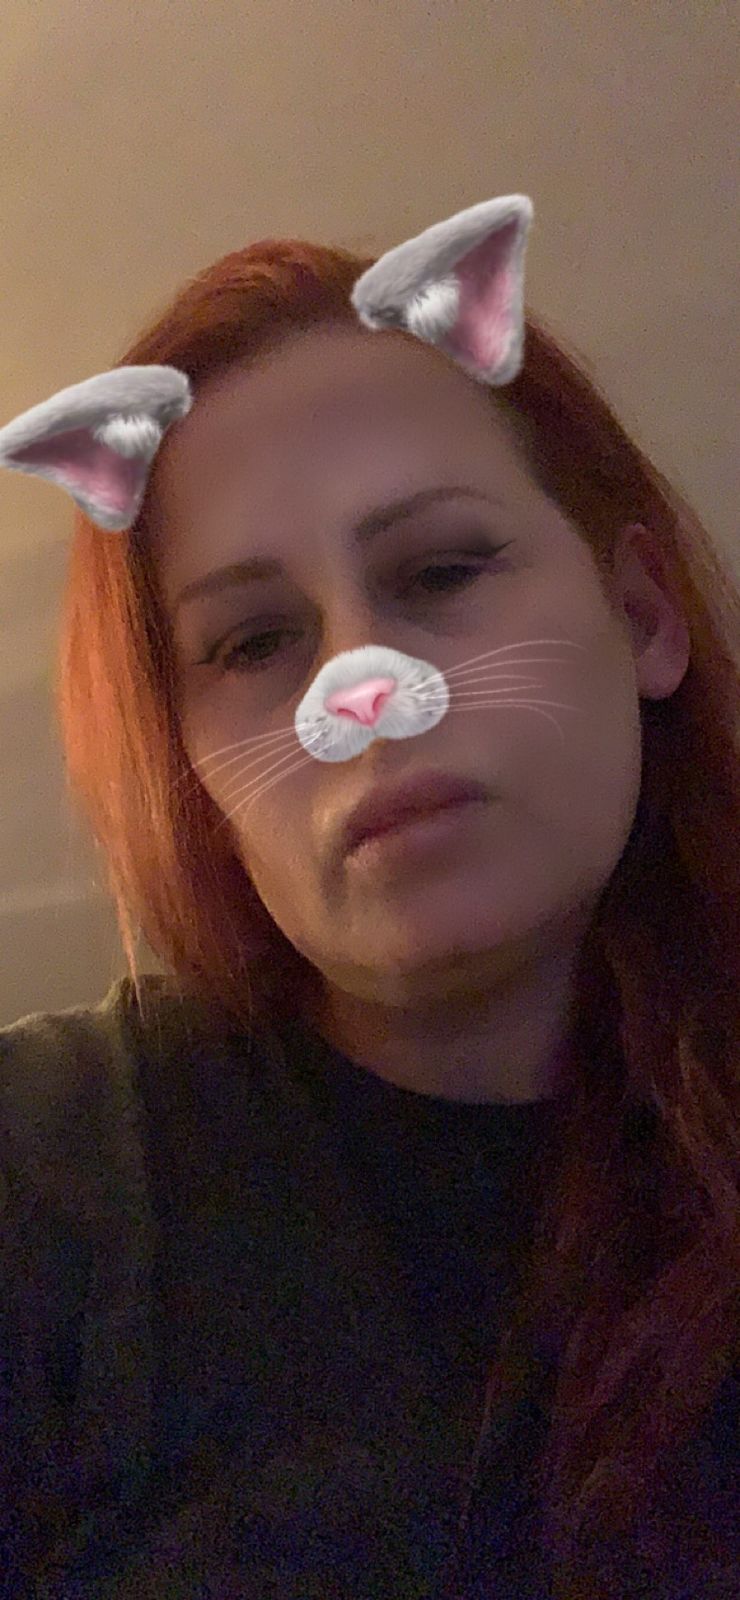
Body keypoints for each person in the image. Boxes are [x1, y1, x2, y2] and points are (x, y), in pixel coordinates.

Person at [0, 196, 737, 1599]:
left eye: (441, 569)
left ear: (642, 616)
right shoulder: (56, 1171)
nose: (363, 688)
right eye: (252, 641)